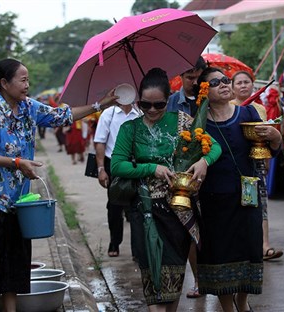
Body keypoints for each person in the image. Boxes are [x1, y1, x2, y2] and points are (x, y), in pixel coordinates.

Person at [0, 58, 118, 312]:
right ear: (4, 83)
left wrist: (103, 104)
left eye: (28, 79)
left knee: (15, 260)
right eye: (22, 80)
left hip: (17, 200)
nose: (27, 85)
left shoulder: (27, 107)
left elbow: (62, 116)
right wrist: (17, 163)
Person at [111, 68, 221, 311]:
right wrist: (152, 168)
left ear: (168, 99)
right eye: (145, 104)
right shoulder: (130, 129)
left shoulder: (182, 121)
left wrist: (204, 162)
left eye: (158, 105)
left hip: (177, 213)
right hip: (146, 211)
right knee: (154, 282)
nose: (151, 110)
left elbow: (214, 148)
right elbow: (117, 165)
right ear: (137, 100)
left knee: (173, 283)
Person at [196, 67, 282, 312]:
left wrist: (275, 137)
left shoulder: (248, 113)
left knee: (250, 250)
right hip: (214, 200)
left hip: (248, 197)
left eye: (225, 80)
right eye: (215, 83)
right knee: (220, 254)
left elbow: (270, 150)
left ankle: (243, 304)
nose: (224, 84)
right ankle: (227, 307)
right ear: (204, 91)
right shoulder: (198, 124)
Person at [230, 70, 284, 262]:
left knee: (259, 204)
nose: (243, 86)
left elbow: (265, 138)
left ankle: (264, 245)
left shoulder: (259, 109)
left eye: (247, 82)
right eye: (239, 83)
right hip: (234, 165)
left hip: (255, 163)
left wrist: (266, 162)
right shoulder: (227, 108)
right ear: (232, 87)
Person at [167, 56, 207, 298]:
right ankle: (199, 280)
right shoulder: (172, 102)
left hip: (208, 166)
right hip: (183, 173)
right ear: (180, 77)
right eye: (189, 77)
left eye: (197, 77)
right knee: (190, 229)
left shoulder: (210, 99)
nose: (193, 81)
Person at [94, 102, 140, 257]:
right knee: (114, 206)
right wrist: (101, 169)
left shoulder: (139, 113)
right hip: (113, 164)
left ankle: (137, 249)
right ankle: (114, 241)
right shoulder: (109, 114)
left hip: (135, 164)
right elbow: (100, 142)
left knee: (136, 206)